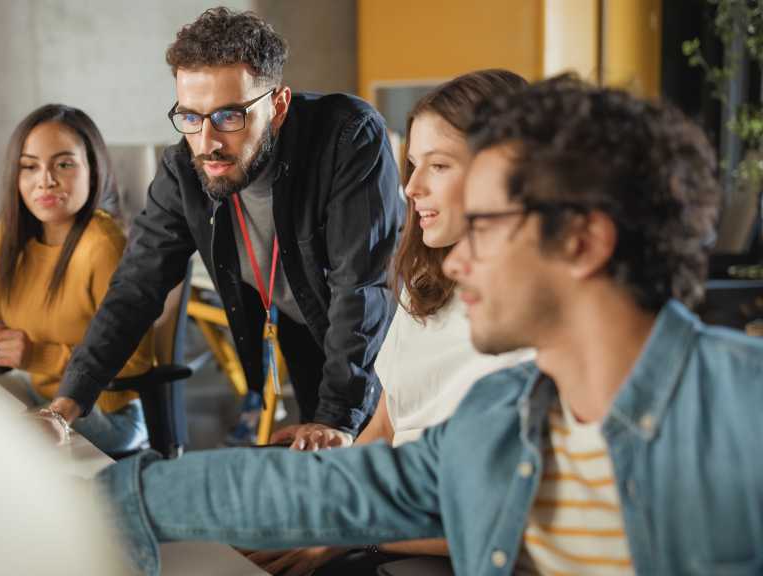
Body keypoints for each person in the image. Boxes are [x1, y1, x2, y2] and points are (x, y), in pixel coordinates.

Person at [96, 75, 763, 575]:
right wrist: (126, 495)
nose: (460, 258)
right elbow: (336, 488)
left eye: (487, 226)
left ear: (583, 241)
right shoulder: (499, 420)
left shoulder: (744, 413)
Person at [49, 7, 401, 450]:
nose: (207, 142)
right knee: (332, 480)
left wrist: (337, 416)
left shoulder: (347, 136)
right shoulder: (184, 167)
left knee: (384, 474)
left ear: (278, 106)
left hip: (387, 344)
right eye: (191, 117)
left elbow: (362, 287)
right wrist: (65, 406)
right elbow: (136, 287)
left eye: (229, 116)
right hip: (306, 333)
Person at [249, 69, 531, 576]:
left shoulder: (536, 327)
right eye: (413, 164)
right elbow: (387, 421)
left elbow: (505, 517)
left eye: (439, 165)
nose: (410, 186)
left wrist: (349, 534)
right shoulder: (426, 286)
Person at [0, 104, 154, 456]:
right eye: (29, 166)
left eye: (64, 164)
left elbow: (137, 359)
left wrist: (39, 356)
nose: (45, 180)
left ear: (93, 170)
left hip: (106, 414)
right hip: (40, 391)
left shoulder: (103, 245)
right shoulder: (13, 232)